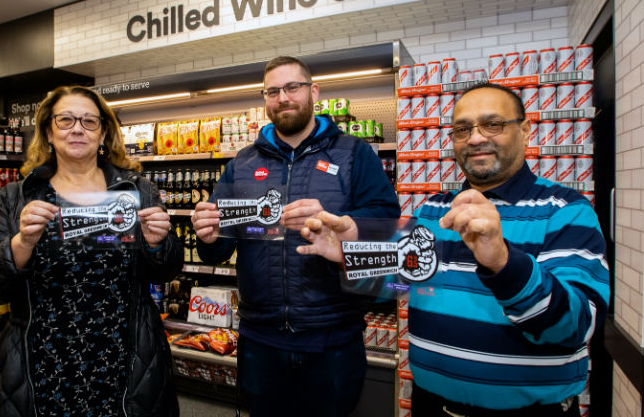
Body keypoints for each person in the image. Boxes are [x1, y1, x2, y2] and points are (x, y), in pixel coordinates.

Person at [298, 82, 610, 416]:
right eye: (462, 129)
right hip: (433, 406)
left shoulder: (565, 211)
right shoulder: (433, 211)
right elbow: (395, 284)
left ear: (524, 130)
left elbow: (577, 326)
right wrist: (348, 252)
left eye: (492, 124)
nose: (475, 138)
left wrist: (503, 263)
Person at [191, 56, 400, 416]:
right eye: (273, 91)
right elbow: (219, 248)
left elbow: (386, 223)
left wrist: (343, 224)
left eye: (293, 87)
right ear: (265, 99)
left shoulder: (354, 154)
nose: (283, 98)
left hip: (333, 340)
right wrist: (208, 236)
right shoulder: (241, 164)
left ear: (313, 92)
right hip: (260, 340)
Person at [0, 85, 182, 417]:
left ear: (104, 133)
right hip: (43, 363)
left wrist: (157, 244)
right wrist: (20, 244)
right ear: (48, 132)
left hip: (124, 362)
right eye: (65, 120)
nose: (77, 128)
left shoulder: (136, 190)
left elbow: (167, 270)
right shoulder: (17, 197)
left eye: (89, 121)